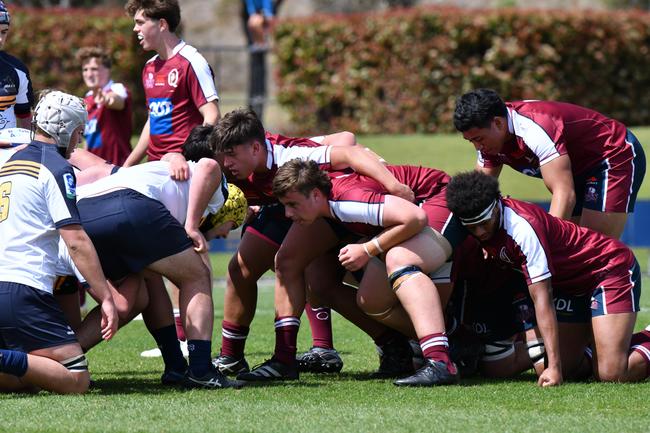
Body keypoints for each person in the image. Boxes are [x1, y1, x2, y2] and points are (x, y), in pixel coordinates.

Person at [204, 108, 416, 379]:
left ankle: (285, 359)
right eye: (223, 155)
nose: (226, 162)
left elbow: (349, 146)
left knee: (290, 264)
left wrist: (393, 185)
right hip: (294, 208)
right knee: (267, 273)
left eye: (231, 154)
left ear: (256, 147)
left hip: (339, 205)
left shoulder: (290, 155)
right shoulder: (241, 163)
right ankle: (394, 344)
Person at [267, 159, 468, 386]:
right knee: (371, 300)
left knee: (399, 260)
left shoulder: (348, 200)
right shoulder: (329, 202)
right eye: (284, 205)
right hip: (413, 212)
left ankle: (440, 361)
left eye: (293, 204)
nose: (287, 213)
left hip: (437, 198)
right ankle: (446, 339)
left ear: (315, 194)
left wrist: (367, 248)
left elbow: (415, 218)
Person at [445, 170, 650, 385]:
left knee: (611, 373)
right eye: (471, 227)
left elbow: (542, 298)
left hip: (607, 269)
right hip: (569, 284)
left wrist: (554, 369)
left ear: (497, 205)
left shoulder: (522, 229)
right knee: (568, 367)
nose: (479, 232)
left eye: (484, 223)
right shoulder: (478, 222)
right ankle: (603, 346)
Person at [0, 90, 117, 394]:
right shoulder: (56, 166)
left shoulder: (8, 164)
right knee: (76, 378)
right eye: (79, 132)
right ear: (65, 130)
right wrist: (105, 297)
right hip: (23, 288)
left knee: (22, 381)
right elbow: (75, 240)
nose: (79, 141)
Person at [453, 88, 646, 239]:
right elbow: (474, 197)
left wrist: (542, 246)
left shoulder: (534, 128)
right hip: (575, 168)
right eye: (472, 142)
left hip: (612, 155)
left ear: (498, 123)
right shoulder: (492, 142)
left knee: (593, 246)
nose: (478, 147)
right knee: (572, 247)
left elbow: (564, 193)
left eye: (479, 139)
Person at [124, 0, 220, 166]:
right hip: (154, 165)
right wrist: (126, 167)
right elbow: (153, 121)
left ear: (161, 24)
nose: (135, 29)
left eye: (140, 22)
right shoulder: (149, 67)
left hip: (183, 167)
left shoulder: (191, 61)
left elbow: (212, 116)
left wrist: (186, 156)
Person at [76, 46, 133, 166]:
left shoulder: (116, 88)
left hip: (118, 167)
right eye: (85, 69)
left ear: (107, 70)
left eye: (94, 69)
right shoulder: (87, 99)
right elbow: (90, 138)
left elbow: (117, 101)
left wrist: (107, 99)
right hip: (94, 170)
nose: (89, 74)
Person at [241, 0, 282, 118]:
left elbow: (267, 3)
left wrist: (268, 13)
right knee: (254, 22)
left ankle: (263, 42)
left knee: (259, 21)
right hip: (257, 15)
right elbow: (250, 6)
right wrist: (253, 13)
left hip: (265, 13)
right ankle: (259, 43)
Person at [0, 1, 33, 131]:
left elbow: (25, 116)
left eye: (4, 32)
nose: (0, 39)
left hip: (7, 150)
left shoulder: (18, 70)